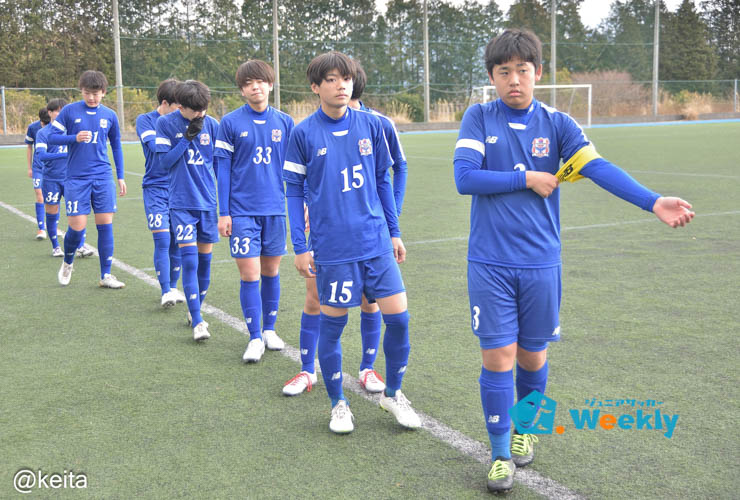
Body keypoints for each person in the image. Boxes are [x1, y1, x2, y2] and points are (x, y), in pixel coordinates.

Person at [453, 28, 695, 493]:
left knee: (533, 355)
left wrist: (653, 201)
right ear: (492, 77)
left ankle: (527, 432)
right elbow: (466, 179)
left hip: (542, 262)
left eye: (523, 70)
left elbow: (598, 167)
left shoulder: (558, 124)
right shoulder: (479, 117)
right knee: (499, 355)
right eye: (504, 72)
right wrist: (527, 177)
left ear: (538, 73)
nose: (514, 80)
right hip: (490, 263)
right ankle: (501, 452)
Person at [283, 51, 421, 433]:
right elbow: (293, 191)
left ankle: (393, 394)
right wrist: (301, 245)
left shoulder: (373, 126)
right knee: (333, 327)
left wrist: (394, 231)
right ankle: (338, 403)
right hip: (333, 248)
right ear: (315, 87)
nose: (340, 84)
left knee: (401, 320)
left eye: (345, 78)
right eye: (330, 79)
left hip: (375, 241)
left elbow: (383, 182)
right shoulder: (303, 133)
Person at [215, 60, 294, 362]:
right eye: (248, 83)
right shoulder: (230, 123)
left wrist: (304, 203)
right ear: (242, 90)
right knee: (250, 273)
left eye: (260, 81)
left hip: (275, 209)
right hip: (242, 211)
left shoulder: (285, 122)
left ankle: (270, 329)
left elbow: (296, 170)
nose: (255, 87)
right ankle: (254, 337)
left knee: (271, 270)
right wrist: (225, 212)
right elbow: (223, 170)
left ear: (270, 84)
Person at [49, 70, 127, 288]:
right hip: (76, 178)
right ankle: (68, 261)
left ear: (103, 92)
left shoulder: (110, 115)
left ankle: (106, 275)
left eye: (95, 93)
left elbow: (117, 146)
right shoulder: (69, 111)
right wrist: (73, 138)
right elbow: (52, 138)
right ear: (80, 91)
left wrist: (120, 176)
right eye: (86, 93)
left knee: (105, 224)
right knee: (77, 226)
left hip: (102, 176)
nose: (91, 97)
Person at [156, 80, 219, 341]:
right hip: (181, 203)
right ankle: (199, 322)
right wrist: (186, 140)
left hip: (207, 203)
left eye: (204, 108)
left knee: (205, 262)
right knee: (190, 262)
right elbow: (164, 163)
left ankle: (195, 311)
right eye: (196, 110)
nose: (201, 114)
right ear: (181, 106)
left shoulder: (213, 125)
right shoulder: (165, 124)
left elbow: (217, 165)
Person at [136, 78, 186, 308]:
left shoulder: (183, 120)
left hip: (179, 188)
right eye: (178, 106)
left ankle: (173, 287)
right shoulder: (145, 121)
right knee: (163, 238)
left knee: (177, 241)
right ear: (165, 103)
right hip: (155, 187)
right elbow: (157, 148)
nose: (182, 111)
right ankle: (165, 290)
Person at [36, 100, 95, 259]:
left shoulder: (72, 130)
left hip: (72, 178)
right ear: (50, 113)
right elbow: (41, 156)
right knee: (52, 212)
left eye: (62, 112)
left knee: (77, 212)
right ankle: (55, 246)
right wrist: (64, 155)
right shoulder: (43, 133)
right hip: (51, 179)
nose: (60, 115)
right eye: (57, 112)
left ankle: (81, 246)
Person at [25, 107, 48, 240]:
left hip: (53, 169)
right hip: (38, 168)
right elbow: (29, 146)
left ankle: (52, 225)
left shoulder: (57, 127)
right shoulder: (33, 128)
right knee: (39, 194)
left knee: (52, 198)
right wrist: (29, 167)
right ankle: (41, 229)